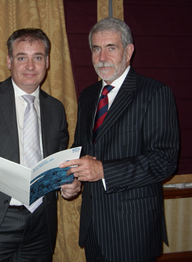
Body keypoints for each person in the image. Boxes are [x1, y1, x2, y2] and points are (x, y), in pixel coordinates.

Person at [0, 28, 81, 262]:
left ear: (47, 62)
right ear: (9, 61)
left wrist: (68, 183)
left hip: (40, 225)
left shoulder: (56, 109)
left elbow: (59, 163)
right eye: (22, 57)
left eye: (37, 57)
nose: (30, 66)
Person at [60, 17, 180, 262]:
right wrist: (69, 179)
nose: (102, 57)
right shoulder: (88, 95)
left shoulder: (154, 93)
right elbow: (80, 148)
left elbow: (164, 160)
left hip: (133, 230)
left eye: (111, 48)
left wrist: (104, 170)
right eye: (96, 49)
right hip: (93, 227)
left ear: (129, 51)